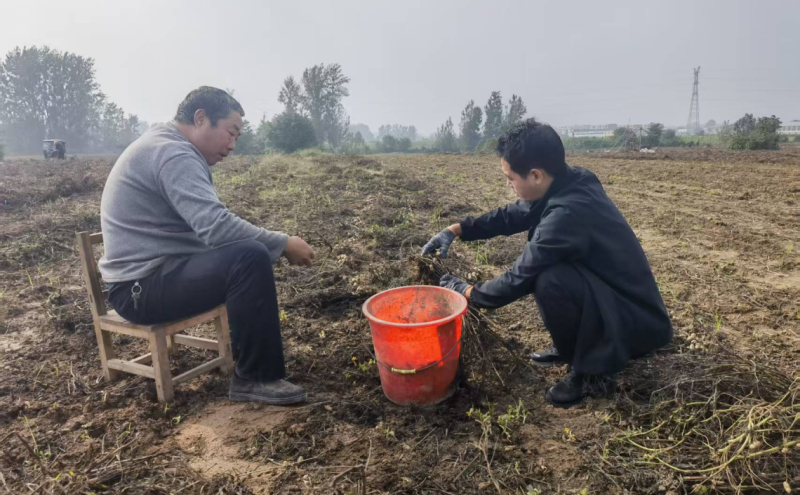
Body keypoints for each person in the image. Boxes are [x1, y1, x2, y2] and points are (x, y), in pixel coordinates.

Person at [422, 119, 672, 408]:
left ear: (536, 176)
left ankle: (590, 371)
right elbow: (513, 215)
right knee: (553, 276)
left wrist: (468, 291)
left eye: (510, 178)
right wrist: (457, 229)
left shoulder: (568, 213)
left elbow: (519, 277)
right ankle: (571, 347)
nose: (508, 184)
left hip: (638, 324)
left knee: (550, 280)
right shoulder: (569, 181)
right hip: (613, 293)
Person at [99, 86, 314, 405]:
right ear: (201, 118)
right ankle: (255, 377)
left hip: (154, 276)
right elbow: (216, 227)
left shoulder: (167, 145)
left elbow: (209, 224)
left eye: (237, 136)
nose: (233, 144)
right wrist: (283, 243)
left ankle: (254, 360)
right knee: (249, 257)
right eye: (231, 132)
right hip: (139, 290)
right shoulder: (174, 153)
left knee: (244, 254)